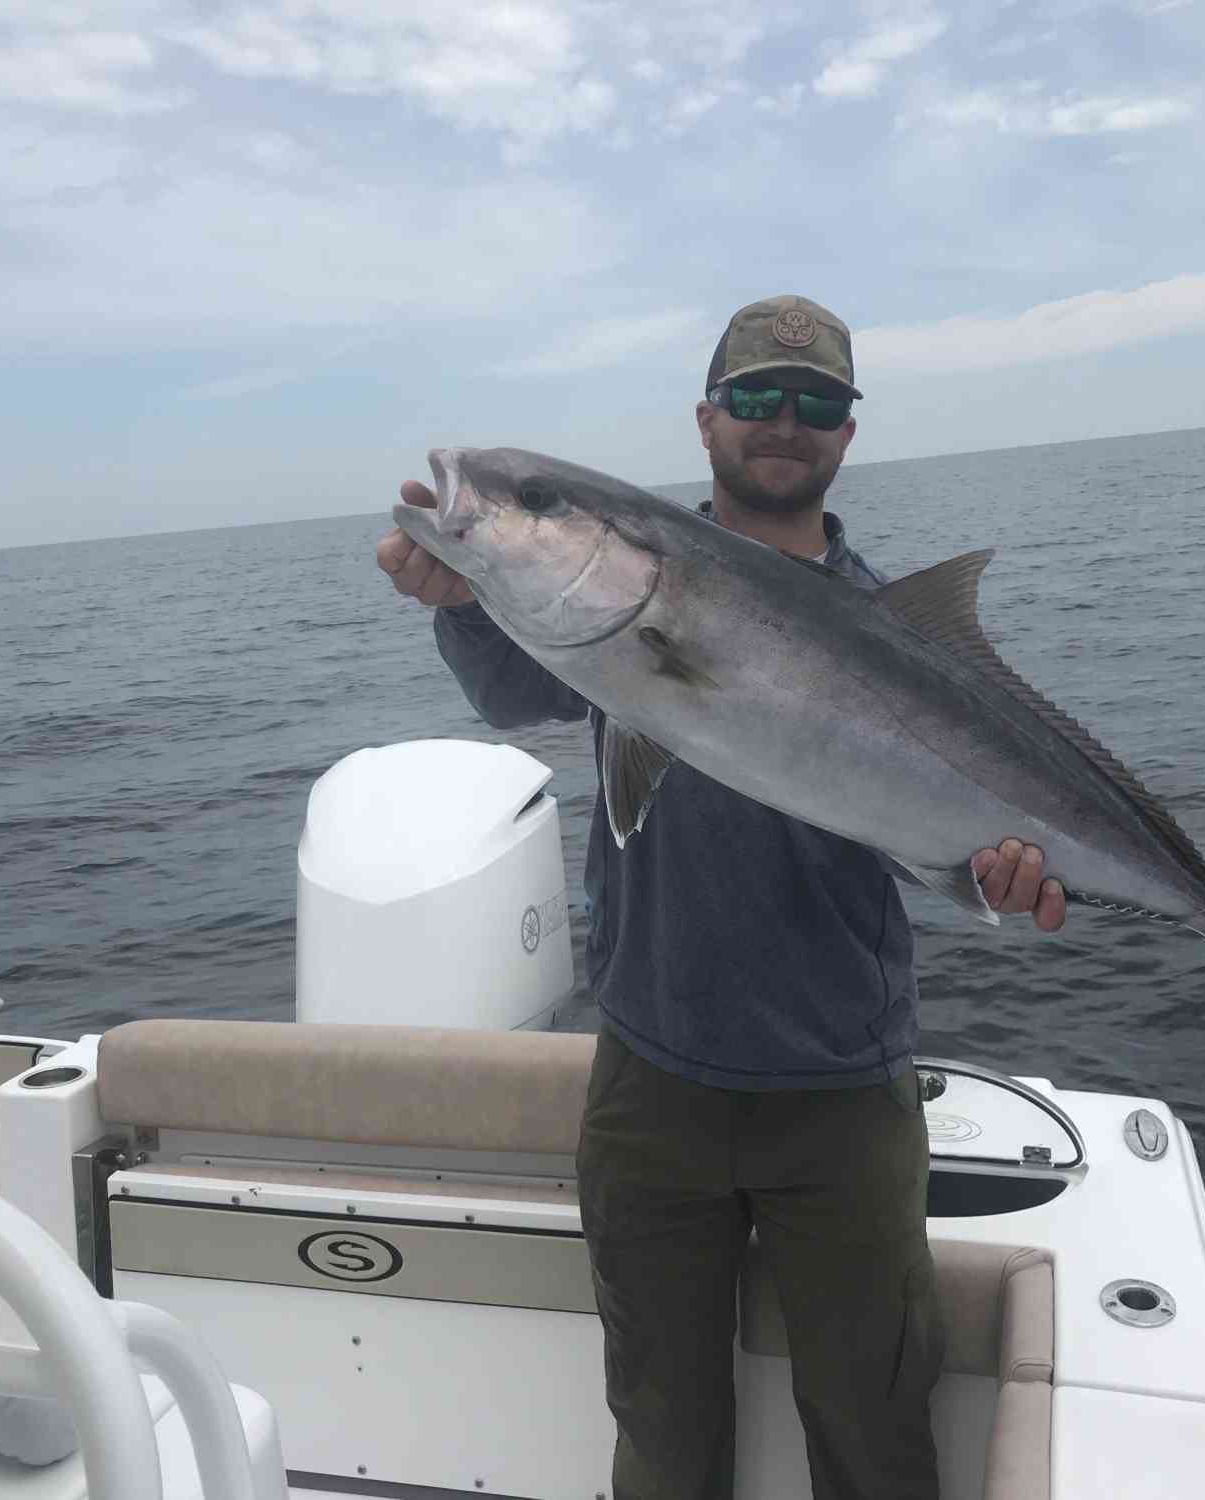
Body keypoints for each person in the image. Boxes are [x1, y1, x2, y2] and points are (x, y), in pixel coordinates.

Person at [376, 294, 1066, 1500]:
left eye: (815, 403)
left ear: (847, 433)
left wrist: (998, 879)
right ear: (706, 420)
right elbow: (510, 696)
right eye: (756, 397)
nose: (783, 423)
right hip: (653, 1081)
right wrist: (464, 595)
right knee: (661, 1421)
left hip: (842, 1089)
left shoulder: (894, 621)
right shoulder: (620, 610)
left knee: (873, 1423)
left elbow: (950, 854)